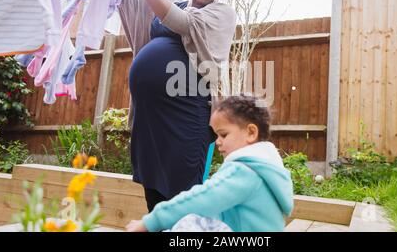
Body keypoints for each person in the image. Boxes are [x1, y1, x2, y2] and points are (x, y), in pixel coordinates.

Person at [118, 0, 241, 212]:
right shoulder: (175, 2)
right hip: (150, 120)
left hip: (185, 119)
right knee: (154, 198)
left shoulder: (221, 14)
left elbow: (182, 22)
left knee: (183, 201)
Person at [125, 95, 294, 232]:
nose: (217, 141)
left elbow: (201, 199)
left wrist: (150, 222)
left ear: (250, 132)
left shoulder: (244, 172)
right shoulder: (267, 168)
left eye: (223, 134)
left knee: (190, 221)